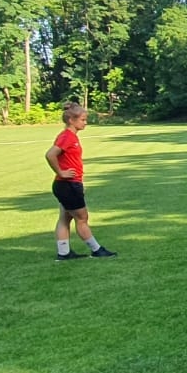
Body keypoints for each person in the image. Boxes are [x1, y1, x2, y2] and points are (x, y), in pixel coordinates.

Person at [45, 101, 117, 261]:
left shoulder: (70, 136)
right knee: (82, 218)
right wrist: (61, 172)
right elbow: (50, 154)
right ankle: (97, 250)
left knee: (65, 218)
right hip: (67, 185)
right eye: (83, 120)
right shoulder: (67, 137)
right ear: (71, 120)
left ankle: (64, 253)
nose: (86, 123)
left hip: (67, 185)